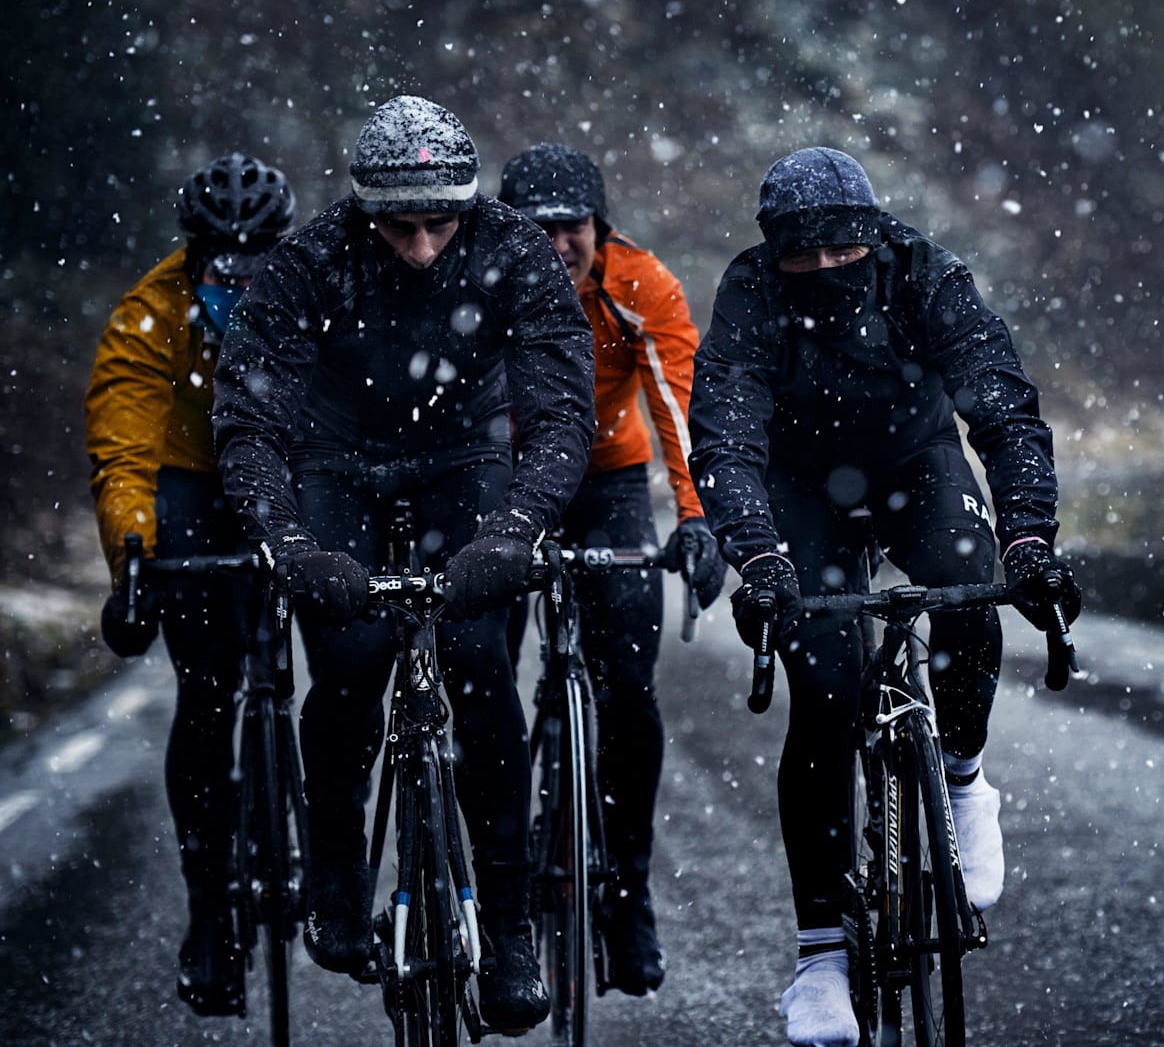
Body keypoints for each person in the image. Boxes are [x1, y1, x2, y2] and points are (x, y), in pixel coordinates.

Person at [212, 96, 595, 1034]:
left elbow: (558, 414)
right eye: (399, 227)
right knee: (344, 668)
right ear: (361, 210)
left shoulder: (512, 249)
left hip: (466, 458)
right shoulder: (306, 263)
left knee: (479, 666)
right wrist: (289, 541)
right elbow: (249, 422)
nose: (422, 248)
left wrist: (516, 529)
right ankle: (337, 873)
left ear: (468, 206)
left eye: (439, 225)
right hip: (335, 459)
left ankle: (509, 930)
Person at [688, 147, 1082, 1046]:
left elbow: (1004, 409)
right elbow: (724, 434)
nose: (826, 269)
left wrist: (1027, 536)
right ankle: (822, 955)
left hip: (915, 463)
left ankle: (965, 776)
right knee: (824, 693)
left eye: (844, 252)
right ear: (772, 252)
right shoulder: (748, 294)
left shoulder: (928, 275)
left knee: (965, 589)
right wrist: (760, 558)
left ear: (874, 238)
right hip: (799, 484)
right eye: (804, 255)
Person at [496, 141, 726, 994]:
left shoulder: (640, 284)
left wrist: (698, 521)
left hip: (607, 479)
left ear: (602, 228)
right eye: (539, 230)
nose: (559, 245)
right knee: (483, 677)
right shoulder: (479, 283)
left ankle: (628, 896)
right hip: (506, 477)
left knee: (629, 684)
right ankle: (504, 892)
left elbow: (678, 406)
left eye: (574, 228)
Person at [85, 151, 296, 1017]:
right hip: (193, 483)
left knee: (347, 668)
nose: (236, 279)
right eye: (220, 264)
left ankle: (326, 852)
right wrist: (134, 561)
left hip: (289, 470)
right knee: (206, 697)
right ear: (192, 255)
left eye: (256, 261)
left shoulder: (319, 290)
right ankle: (210, 909)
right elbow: (124, 448)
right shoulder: (152, 311)